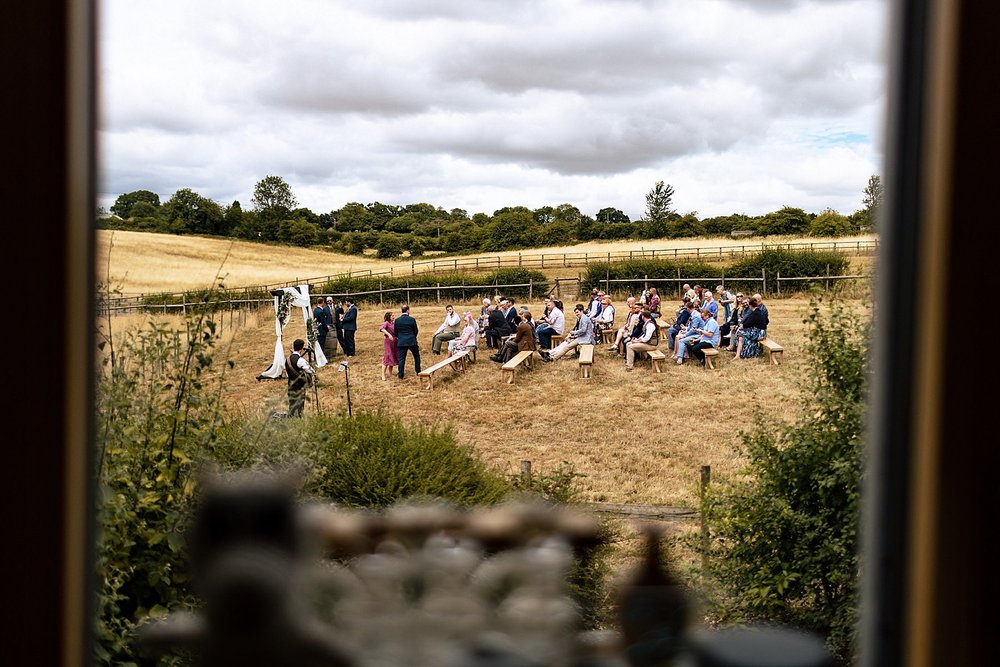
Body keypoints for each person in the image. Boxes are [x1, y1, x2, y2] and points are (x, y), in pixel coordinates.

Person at [285, 338, 314, 417]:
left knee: (292, 403)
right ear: (301, 348)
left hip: (290, 384)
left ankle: (291, 417)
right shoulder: (300, 360)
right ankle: (298, 418)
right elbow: (310, 371)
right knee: (300, 404)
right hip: (300, 385)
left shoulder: (287, 360)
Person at [394, 304, 421, 378]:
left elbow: (395, 332)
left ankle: (401, 374)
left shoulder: (397, 320)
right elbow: (416, 330)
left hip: (401, 342)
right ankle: (418, 371)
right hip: (411, 340)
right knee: (416, 356)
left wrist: (400, 337)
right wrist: (413, 336)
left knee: (401, 358)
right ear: (408, 310)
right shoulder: (412, 319)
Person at [379, 312, 398, 381]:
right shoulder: (386, 323)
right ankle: (383, 375)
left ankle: (390, 374)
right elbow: (381, 328)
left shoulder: (394, 323)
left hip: (395, 342)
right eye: (392, 316)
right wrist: (388, 334)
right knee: (387, 358)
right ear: (388, 317)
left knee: (392, 357)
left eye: (394, 315)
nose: (393, 317)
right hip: (388, 342)